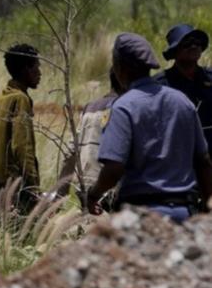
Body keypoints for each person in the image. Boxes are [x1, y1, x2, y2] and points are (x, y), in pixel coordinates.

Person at [88, 33, 212, 223]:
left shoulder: (123, 107)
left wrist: (94, 193)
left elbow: (114, 168)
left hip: (141, 217)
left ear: (121, 67)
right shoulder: (182, 102)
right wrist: (206, 205)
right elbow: (203, 160)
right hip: (183, 213)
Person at [56, 69, 123, 206]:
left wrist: (61, 191)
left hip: (85, 184)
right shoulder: (124, 107)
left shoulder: (89, 107)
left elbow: (72, 150)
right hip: (107, 186)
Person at [0, 43, 42, 212]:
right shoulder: (20, 99)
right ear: (25, 69)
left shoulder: (4, 97)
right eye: (36, 67)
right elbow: (22, 145)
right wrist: (33, 186)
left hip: (1, 185)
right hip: (17, 186)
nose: (39, 72)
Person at [154, 23, 212, 156]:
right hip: (177, 158)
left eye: (197, 43)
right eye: (187, 43)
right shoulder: (160, 85)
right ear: (174, 51)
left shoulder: (209, 77)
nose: (194, 46)